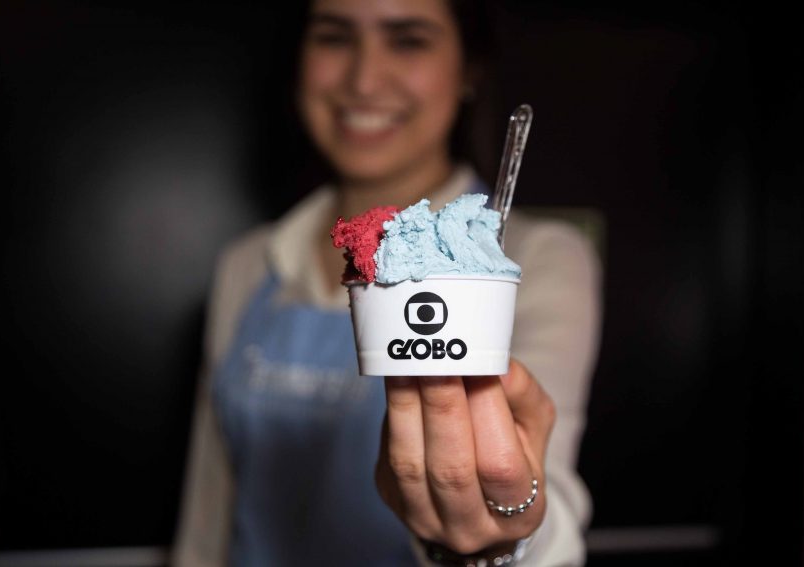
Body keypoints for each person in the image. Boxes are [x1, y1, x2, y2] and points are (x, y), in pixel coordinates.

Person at [171, 0, 601, 565]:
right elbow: (208, 511)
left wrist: (502, 536)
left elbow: (549, 503)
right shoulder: (249, 263)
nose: (364, 79)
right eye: (334, 37)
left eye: (408, 40)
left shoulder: (536, 258)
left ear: (469, 70)